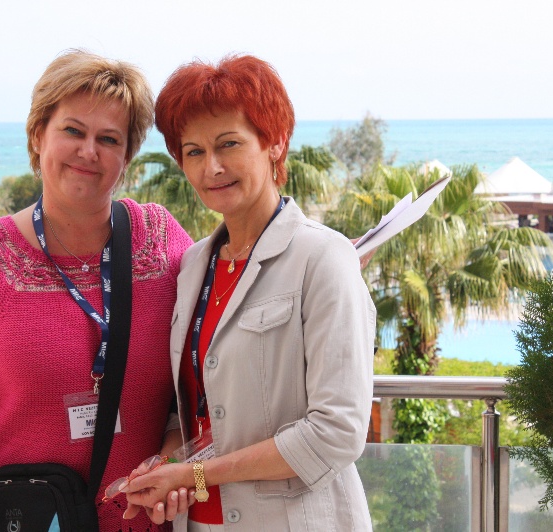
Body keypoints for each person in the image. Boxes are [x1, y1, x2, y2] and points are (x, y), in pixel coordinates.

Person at [0, 49, 194, 531]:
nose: (89, 151)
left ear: (126, 156)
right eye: (73, 130)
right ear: (37, 135)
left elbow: (199, 381)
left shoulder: (162, 241)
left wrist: (174, 460)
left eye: (108, 139)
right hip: (18, 518)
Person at [124, 55, 376, 531]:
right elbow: (191, 410)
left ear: (274, 143)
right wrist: (166, 467)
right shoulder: (193, 266)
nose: (212, 167)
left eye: (229, 144)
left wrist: (197, 474)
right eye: (193, 152)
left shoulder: (323, 257)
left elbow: (338, 431)